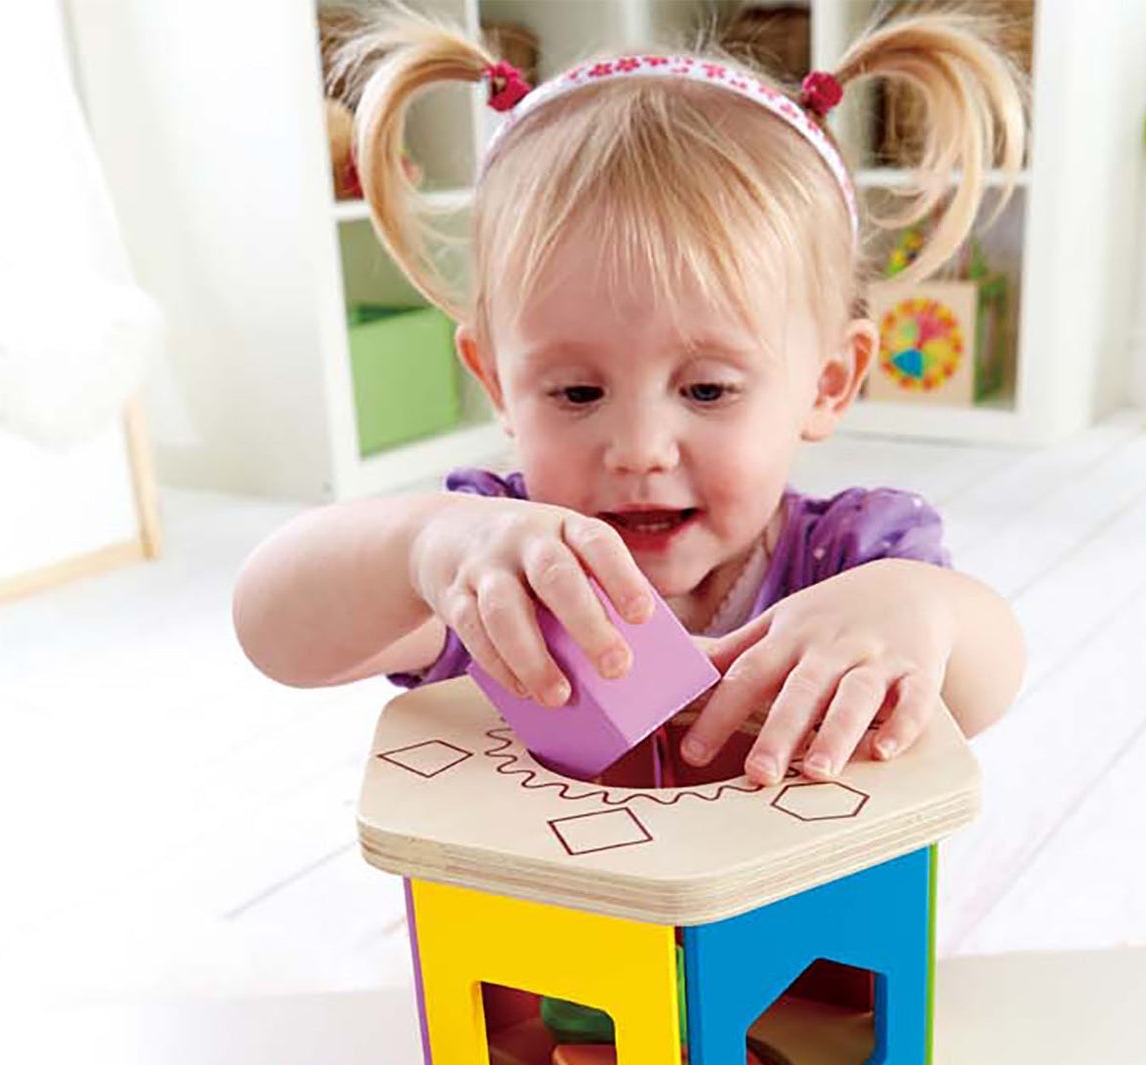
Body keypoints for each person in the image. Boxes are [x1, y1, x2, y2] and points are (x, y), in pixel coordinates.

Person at [234, 7, 1028, 786]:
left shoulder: (849, 559)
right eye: (578, 391)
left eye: (707, 388)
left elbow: (984, 683)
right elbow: (272, 630)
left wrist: (918, 609)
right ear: (497, 382)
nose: (640, 449)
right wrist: (422, 546)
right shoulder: (500, 574)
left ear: (828, 382)